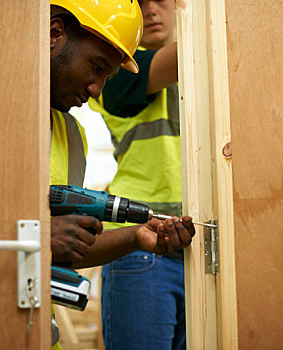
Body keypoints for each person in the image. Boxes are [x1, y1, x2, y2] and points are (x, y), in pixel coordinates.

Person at [48, 1, 195, 349]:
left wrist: (135, 234)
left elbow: (65, 245)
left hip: (183, 246)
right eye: (96, 68)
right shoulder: (133, 73)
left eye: (161, 0)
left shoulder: (71, 135)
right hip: (144, 264)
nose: (97, 88)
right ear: (54, 34)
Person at [88, 0, 184, 348]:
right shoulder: (117, 71)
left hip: (202, 242)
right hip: (142, 243)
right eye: (140, 2)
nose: (150, 10)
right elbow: (182, 56)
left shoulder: (213, 77)